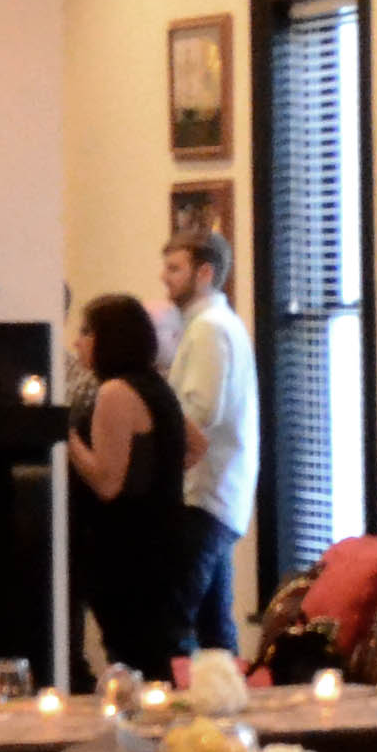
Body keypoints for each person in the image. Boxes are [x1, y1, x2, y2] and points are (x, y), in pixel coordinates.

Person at [65, 292, 193, 678]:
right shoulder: (156, 386)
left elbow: (106, 483)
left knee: (134, 658)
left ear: (108, 338)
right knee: (152, 655)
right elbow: (196, 446)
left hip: (126, 550)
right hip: (163, 541)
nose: (77, 342)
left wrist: (64, 434)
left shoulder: (115, 392)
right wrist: (154, 476)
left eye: (85, 332)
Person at [160, 228, 256, 658]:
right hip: (218, 493)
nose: (164, 277)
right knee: (215, 628)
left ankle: (179, 695)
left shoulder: (209, 329)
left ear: (205, 273)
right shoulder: (214, 325)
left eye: (174, 268)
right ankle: (224, 695)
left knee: (173, 622)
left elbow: (200, 409)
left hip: (203, 491)